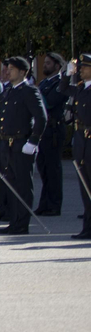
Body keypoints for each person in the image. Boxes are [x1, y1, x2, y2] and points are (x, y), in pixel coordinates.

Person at [0, 55, 47, 235]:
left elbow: (41, 117)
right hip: (6, 144)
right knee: (12, 185)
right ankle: (14, 221)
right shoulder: (9, 91)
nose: (7, 71)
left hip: (21, 143)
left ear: (23, 72)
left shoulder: (29, 91)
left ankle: (22, 224)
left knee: (23, 185)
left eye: (12, 68)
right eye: (7, 67)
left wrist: (33, 141)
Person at [35, 52, 67, 215]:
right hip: (43, 131)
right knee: (43, 169)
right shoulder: (43, 83)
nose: (44, 65)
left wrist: (34, 93)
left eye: (48, 63)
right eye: (45, 62)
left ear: (57, 66)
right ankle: (45, 203)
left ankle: (54, 204)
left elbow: (49, 102)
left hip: (53, 130)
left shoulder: (61, 83)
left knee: (53, 169)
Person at [70, 54, 91, 240]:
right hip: (81, 140)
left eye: (85, 67)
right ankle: (87, 226)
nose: (81, 70)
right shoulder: (81, 89)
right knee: (85, 186)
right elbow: (63, 90)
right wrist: (65, 76)